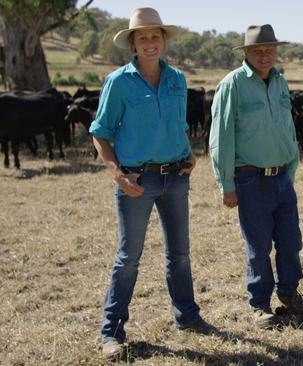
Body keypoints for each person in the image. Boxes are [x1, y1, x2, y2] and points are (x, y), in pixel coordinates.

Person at [89, 7, 214, 360]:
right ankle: (111, 332)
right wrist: (117, 174)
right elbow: (100, 134)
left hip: (176, 176)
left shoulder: (176, 79)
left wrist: (188, 152)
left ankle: (188, 317)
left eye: (154, 36)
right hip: (137, 180)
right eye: (142, 37)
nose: (149, 42)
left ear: (163, 41)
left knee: (180, 254)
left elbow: (178, 125)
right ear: (133, 43)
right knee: (129, 257)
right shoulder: (118, 82)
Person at [209, 24, 303, 329]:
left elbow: (288, 128)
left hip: (281, 175)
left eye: (269, 50)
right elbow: (221, 137)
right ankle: (259, 305)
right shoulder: (232, 84)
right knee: (258, 246)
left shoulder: (280, 82)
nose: (264, 55)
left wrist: (292, 167)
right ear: (246, 52)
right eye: (258, 50)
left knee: (290, 241)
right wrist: (226, 184)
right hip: (250, 178)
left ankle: (290, 295)